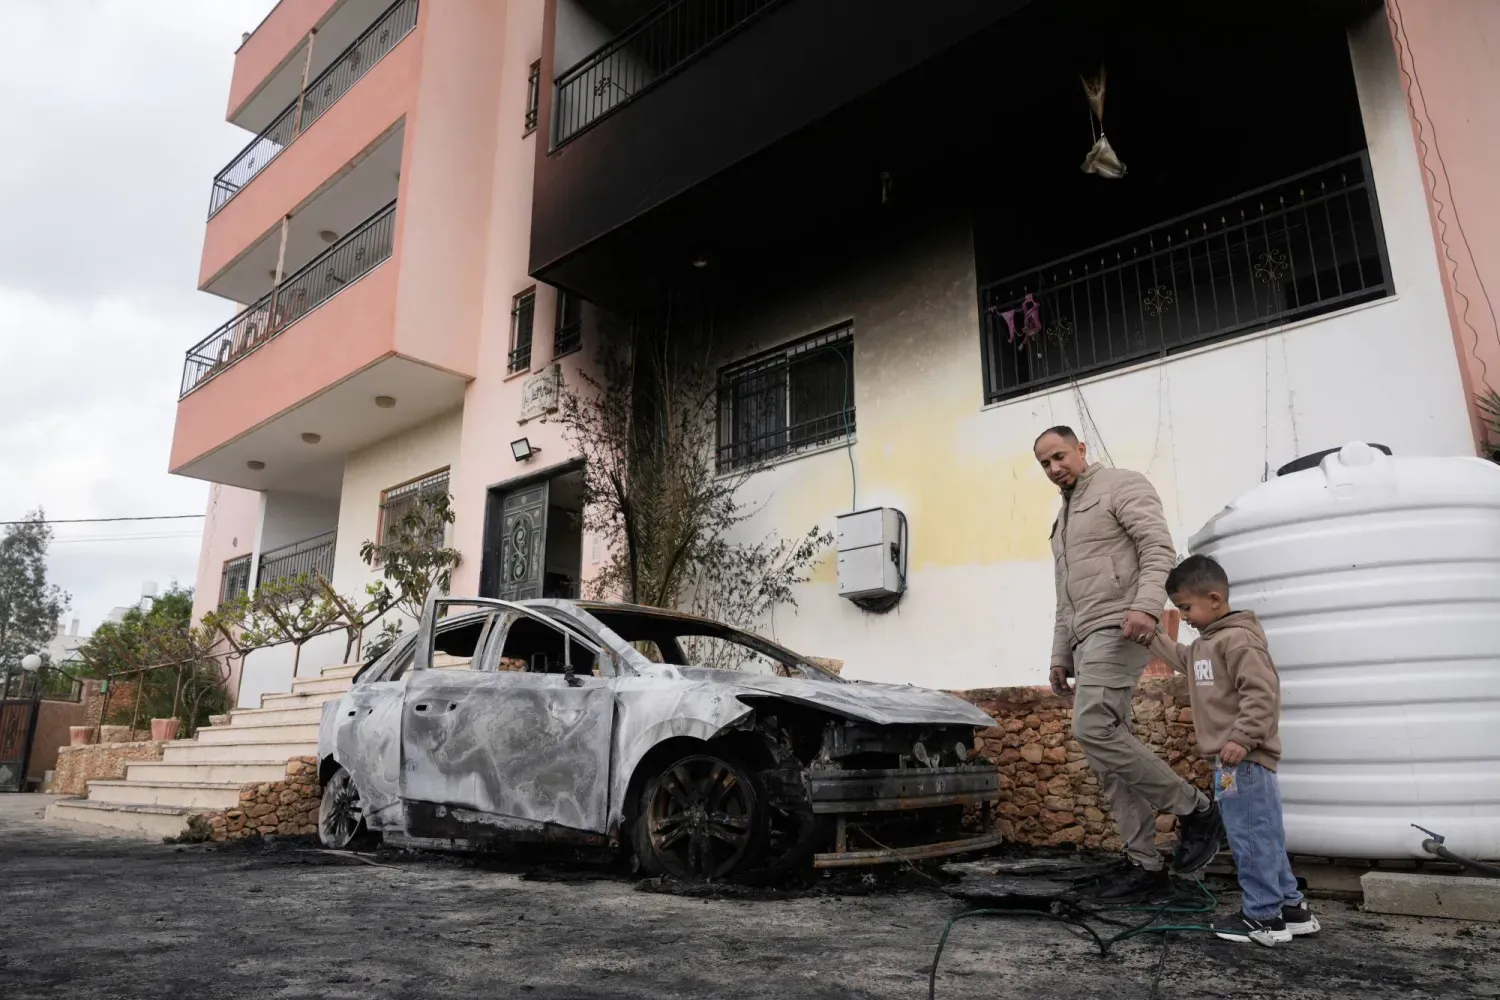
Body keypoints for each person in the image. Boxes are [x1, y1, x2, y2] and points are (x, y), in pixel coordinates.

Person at [1036, 426, 1223, 899]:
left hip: (1122, 624)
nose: (1054, 468)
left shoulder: (1122, 485)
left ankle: (1196, 809)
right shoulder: (1060, 524)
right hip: (1085, 636)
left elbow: (1158, 548)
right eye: (1044, 464)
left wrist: (1144, 605)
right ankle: (1144, 863)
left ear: (1080, 450)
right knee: (1107, 753)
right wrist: (1060, 654)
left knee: (1092, 727)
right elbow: (1065, 597)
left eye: (1059, 456)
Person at [1150, 554, 1319, 946]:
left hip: (1241, 758)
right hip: (1232, 760)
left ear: (1214, 598)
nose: (1185, 616)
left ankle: (1262, 918)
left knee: (1249, 837)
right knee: (1265, 835)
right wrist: (1150, 636)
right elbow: (1182, 659)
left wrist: (1242, 738)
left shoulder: (1239, 638)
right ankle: (1290, 910)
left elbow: (1262, 692)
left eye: (1187, 607)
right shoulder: (1207, 644)